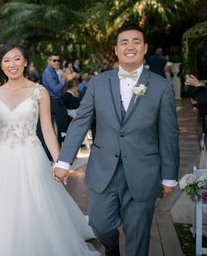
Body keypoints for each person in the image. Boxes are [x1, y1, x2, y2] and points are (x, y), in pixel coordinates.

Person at [54, 24, 179, 256]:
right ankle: (111, 249)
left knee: (138, 234)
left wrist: (169, 176)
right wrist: (63, 161)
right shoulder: (99, 82)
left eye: (136, 42)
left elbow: (169, 134)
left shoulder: (161, 87)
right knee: (100, 224)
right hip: (104, 169)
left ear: (145, 48)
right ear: (116, 49)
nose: (130, 47)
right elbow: (81, 121)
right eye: (124, 42)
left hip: (143, 171)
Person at [0, 44, 99, 256]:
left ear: (26, 62)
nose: (12, 64)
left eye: (16, 59)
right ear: (1, 65)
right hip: (0, 158)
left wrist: (60, 162)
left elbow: (47, 130)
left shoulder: (39, 92)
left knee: (35, 204)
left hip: (30, 155)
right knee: (2, 207)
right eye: (6, 60)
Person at [41, 51, 75, 143]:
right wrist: (64, 80)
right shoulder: (48, 72)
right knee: (61, 127)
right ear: (48, 61)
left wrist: (65, 80)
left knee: (63, 126)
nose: (57, 62)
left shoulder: (53, 71)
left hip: (57, 100)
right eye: (54, 60)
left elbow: (61, 89)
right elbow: (55, 89)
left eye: (58, 60)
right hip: (54, 101)